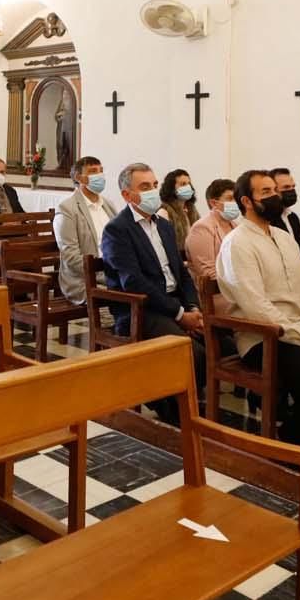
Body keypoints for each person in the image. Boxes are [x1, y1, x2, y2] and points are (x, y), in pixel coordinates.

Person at [216, 169, 300, 448]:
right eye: (265, 192)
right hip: (264, 338)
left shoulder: (283, 237)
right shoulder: (237, 244)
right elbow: (258, 309)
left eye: (274, 190)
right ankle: (291, 441)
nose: (275, 196)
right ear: (246, 201)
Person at [99, 162, 205, 425]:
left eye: (154, 185)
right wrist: (180, 313)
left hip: (174, 303)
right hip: (140, 309)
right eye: (144, 187)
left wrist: (192, 306)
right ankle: (170, 408)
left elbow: (180, 274)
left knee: (222, 342)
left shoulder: (164, 226)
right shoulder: (117, 230)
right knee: (194, 352)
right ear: (126, 195)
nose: (152, 191)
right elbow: (133, 282)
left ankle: (185, 400)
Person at [53, 155, 117, 306]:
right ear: (79, 177)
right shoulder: (67, 209)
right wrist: (104, 274)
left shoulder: (108, 205)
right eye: (93, 171)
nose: (100, 176)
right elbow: (71, 257)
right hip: (83, 280)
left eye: (101, 171)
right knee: (126, 293)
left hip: (112, 273)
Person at [184, 178, 239, 316]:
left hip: (235, 289)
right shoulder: (202, 228)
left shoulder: (235, 225)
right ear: (214, 203)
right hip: (214, 295)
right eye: (230, 198)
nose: (236, 202)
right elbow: (208, 273)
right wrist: (242, 286)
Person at [269, 167, 300, 261]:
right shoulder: (267, 220)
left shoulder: (293, 217)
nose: (292, 190)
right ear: (273, 190)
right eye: (286, 187)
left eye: (293, 186)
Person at [160, 168, 200, 249]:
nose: (188, 187)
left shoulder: (192, 210)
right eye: (183, 184)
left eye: (189, 183)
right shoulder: (163, 212)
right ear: (171, 188)